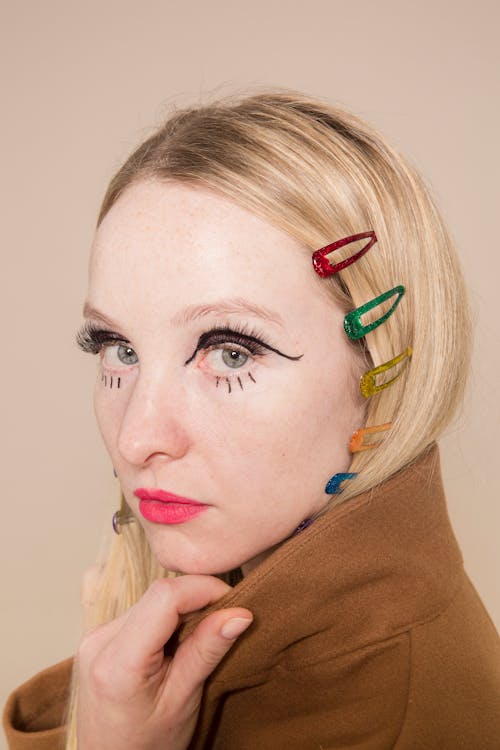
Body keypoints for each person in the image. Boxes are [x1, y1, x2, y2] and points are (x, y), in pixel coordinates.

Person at [3, 90, 500, 750]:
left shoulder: (387, 722)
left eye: (230, 351)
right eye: (117, 348)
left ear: (384, 364)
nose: (137, 436)